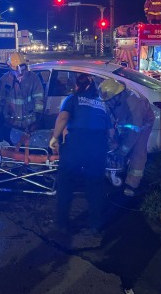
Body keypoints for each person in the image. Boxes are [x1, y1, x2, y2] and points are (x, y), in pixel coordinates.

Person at [48, 73, 113, 236]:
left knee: (65, 183)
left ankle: (62, 224)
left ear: (77, 86)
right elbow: (110, 130)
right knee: (95, 185)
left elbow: (63, 118)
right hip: (98, 145)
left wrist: (54, 138)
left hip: (77, 143)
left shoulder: (72, 99)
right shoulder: (102, 103)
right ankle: (95, 225)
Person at [99, 78, 156, 197]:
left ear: (117, 95)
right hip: (127, 121)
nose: (107, 103)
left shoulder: (135, 104)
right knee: (121, 141)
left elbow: (134, 130)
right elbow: (112, 115)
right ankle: (122, 166)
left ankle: (132, 184)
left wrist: (123, 150)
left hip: (143, 123)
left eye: (109, 101)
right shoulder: (116, 98)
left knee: (138, 151)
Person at [0, 52, 44, 144]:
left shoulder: (33, 79)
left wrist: (37, 119)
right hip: (11, 125)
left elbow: (39, 100)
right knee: (12, 150)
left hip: (29, 126)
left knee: (27, 149)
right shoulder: (5, 80)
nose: (21, 73)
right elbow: (0, 100)